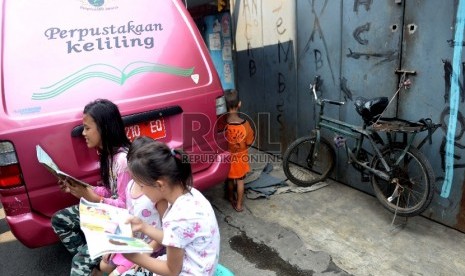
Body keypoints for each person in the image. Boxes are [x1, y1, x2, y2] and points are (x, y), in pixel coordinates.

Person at [51, 99, 132, 276]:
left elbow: (127, 208)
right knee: (60, 219)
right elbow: (112, 191)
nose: (84, 134)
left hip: (123, 225)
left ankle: (90, 263)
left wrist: (94, 198)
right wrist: (80, 189)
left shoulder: (123, 161)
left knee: (79, 262)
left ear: (104, 128)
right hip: (109, 214)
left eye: (87, 128)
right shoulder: (108, 155)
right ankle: (94, 263)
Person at [120, 140, 220, 276]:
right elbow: (175, 238)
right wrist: (143, 226)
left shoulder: (177, 219)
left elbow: (172, 271)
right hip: (200, 266)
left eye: (142, 186)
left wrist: (134, 256)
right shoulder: (190, 193)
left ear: (160, 185)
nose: (142, 192)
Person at [95, 137, 168, 276]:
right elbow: (127, 217)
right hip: (132, 241)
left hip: (149, 247)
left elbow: (166, 233)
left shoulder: (157, 195)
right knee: (104, 265)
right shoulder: (129, 186)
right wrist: (114, 245)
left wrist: (143, 256)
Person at [224, 89, 255, 212]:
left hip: (228, 156)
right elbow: (249, 142)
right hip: (241, 156)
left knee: (230, 179)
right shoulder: (245, 124)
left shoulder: (223, 124)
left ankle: (231, 197)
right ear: (239, 104)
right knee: (241, 181)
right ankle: (239, 205)